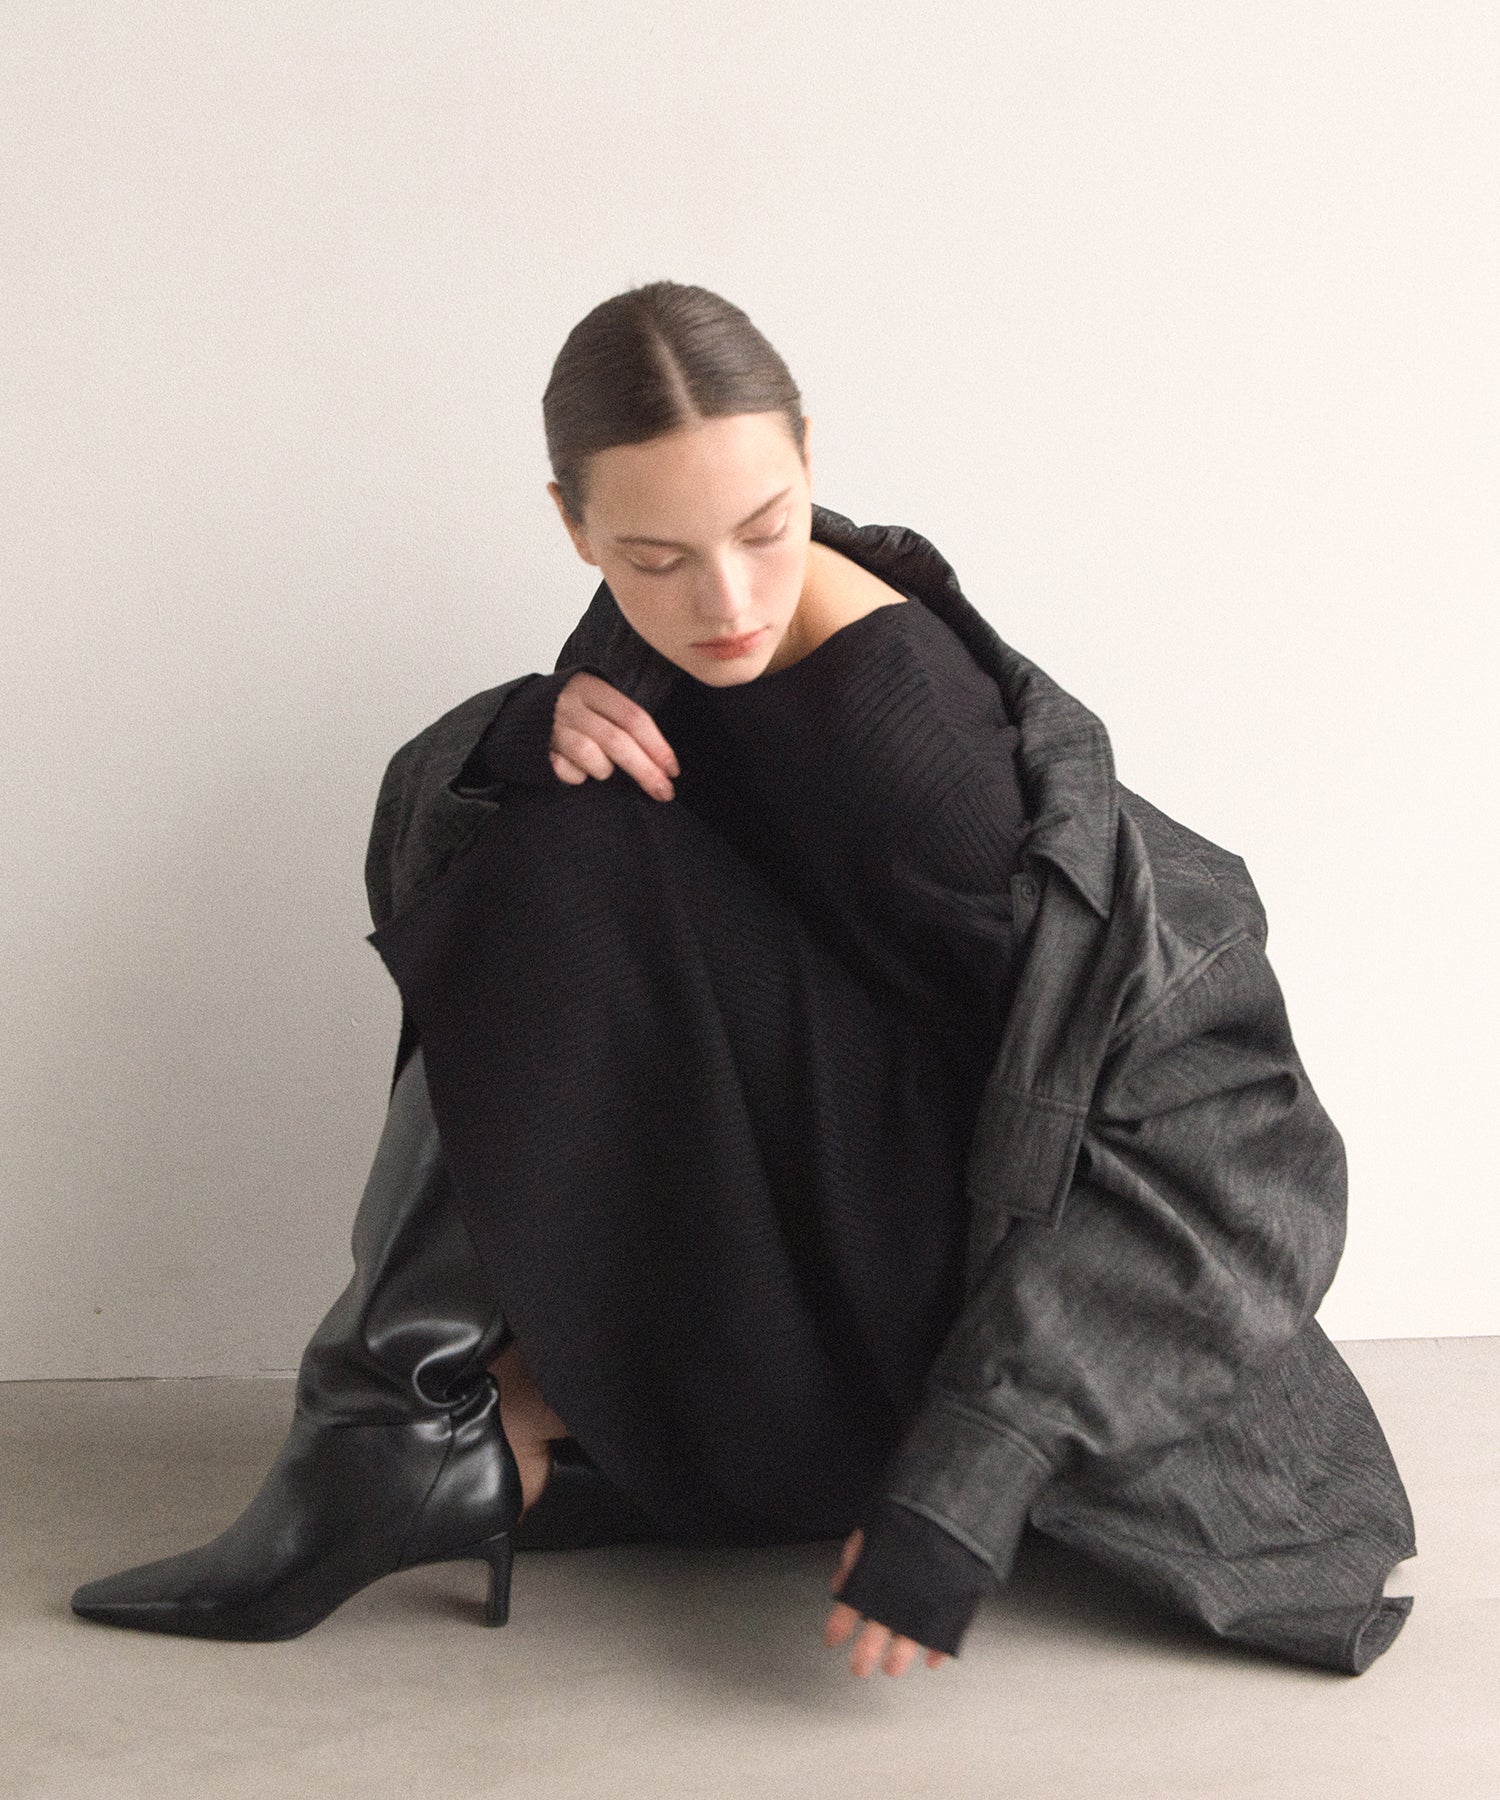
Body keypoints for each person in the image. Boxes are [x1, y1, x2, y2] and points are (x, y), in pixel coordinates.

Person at [70, 281, 1416, 1680]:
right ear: (573, 524)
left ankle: (413, 1435)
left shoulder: (916, 750)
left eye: (767, 529)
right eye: (654, 557)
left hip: (987, 1310)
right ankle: (417, 1424)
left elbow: (1237, 1146)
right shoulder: (649, 640)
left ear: (809, 460)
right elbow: (516, 928)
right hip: (823, 1244)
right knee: (560, 815)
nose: (725, 603)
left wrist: (979, 1463)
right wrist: (516, 730)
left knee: (566, 848)